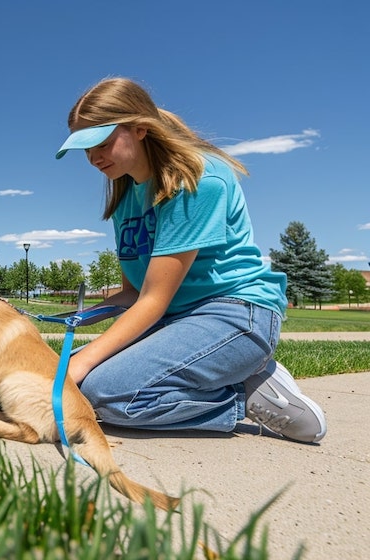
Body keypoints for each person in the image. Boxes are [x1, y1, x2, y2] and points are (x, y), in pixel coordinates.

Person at [54, 77, 326, 443]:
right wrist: (73, 319)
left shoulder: (196, 179)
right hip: (176, 321)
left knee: (107, 394)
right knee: (60, 376)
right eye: (84, 150)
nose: (93, 158)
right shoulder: (125, 197)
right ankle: (220, 371)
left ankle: (242, 393)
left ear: (140, 129)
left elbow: (154, 299)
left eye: (100, 143)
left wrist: (82, 363)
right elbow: (134, 291)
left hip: (235, 314)